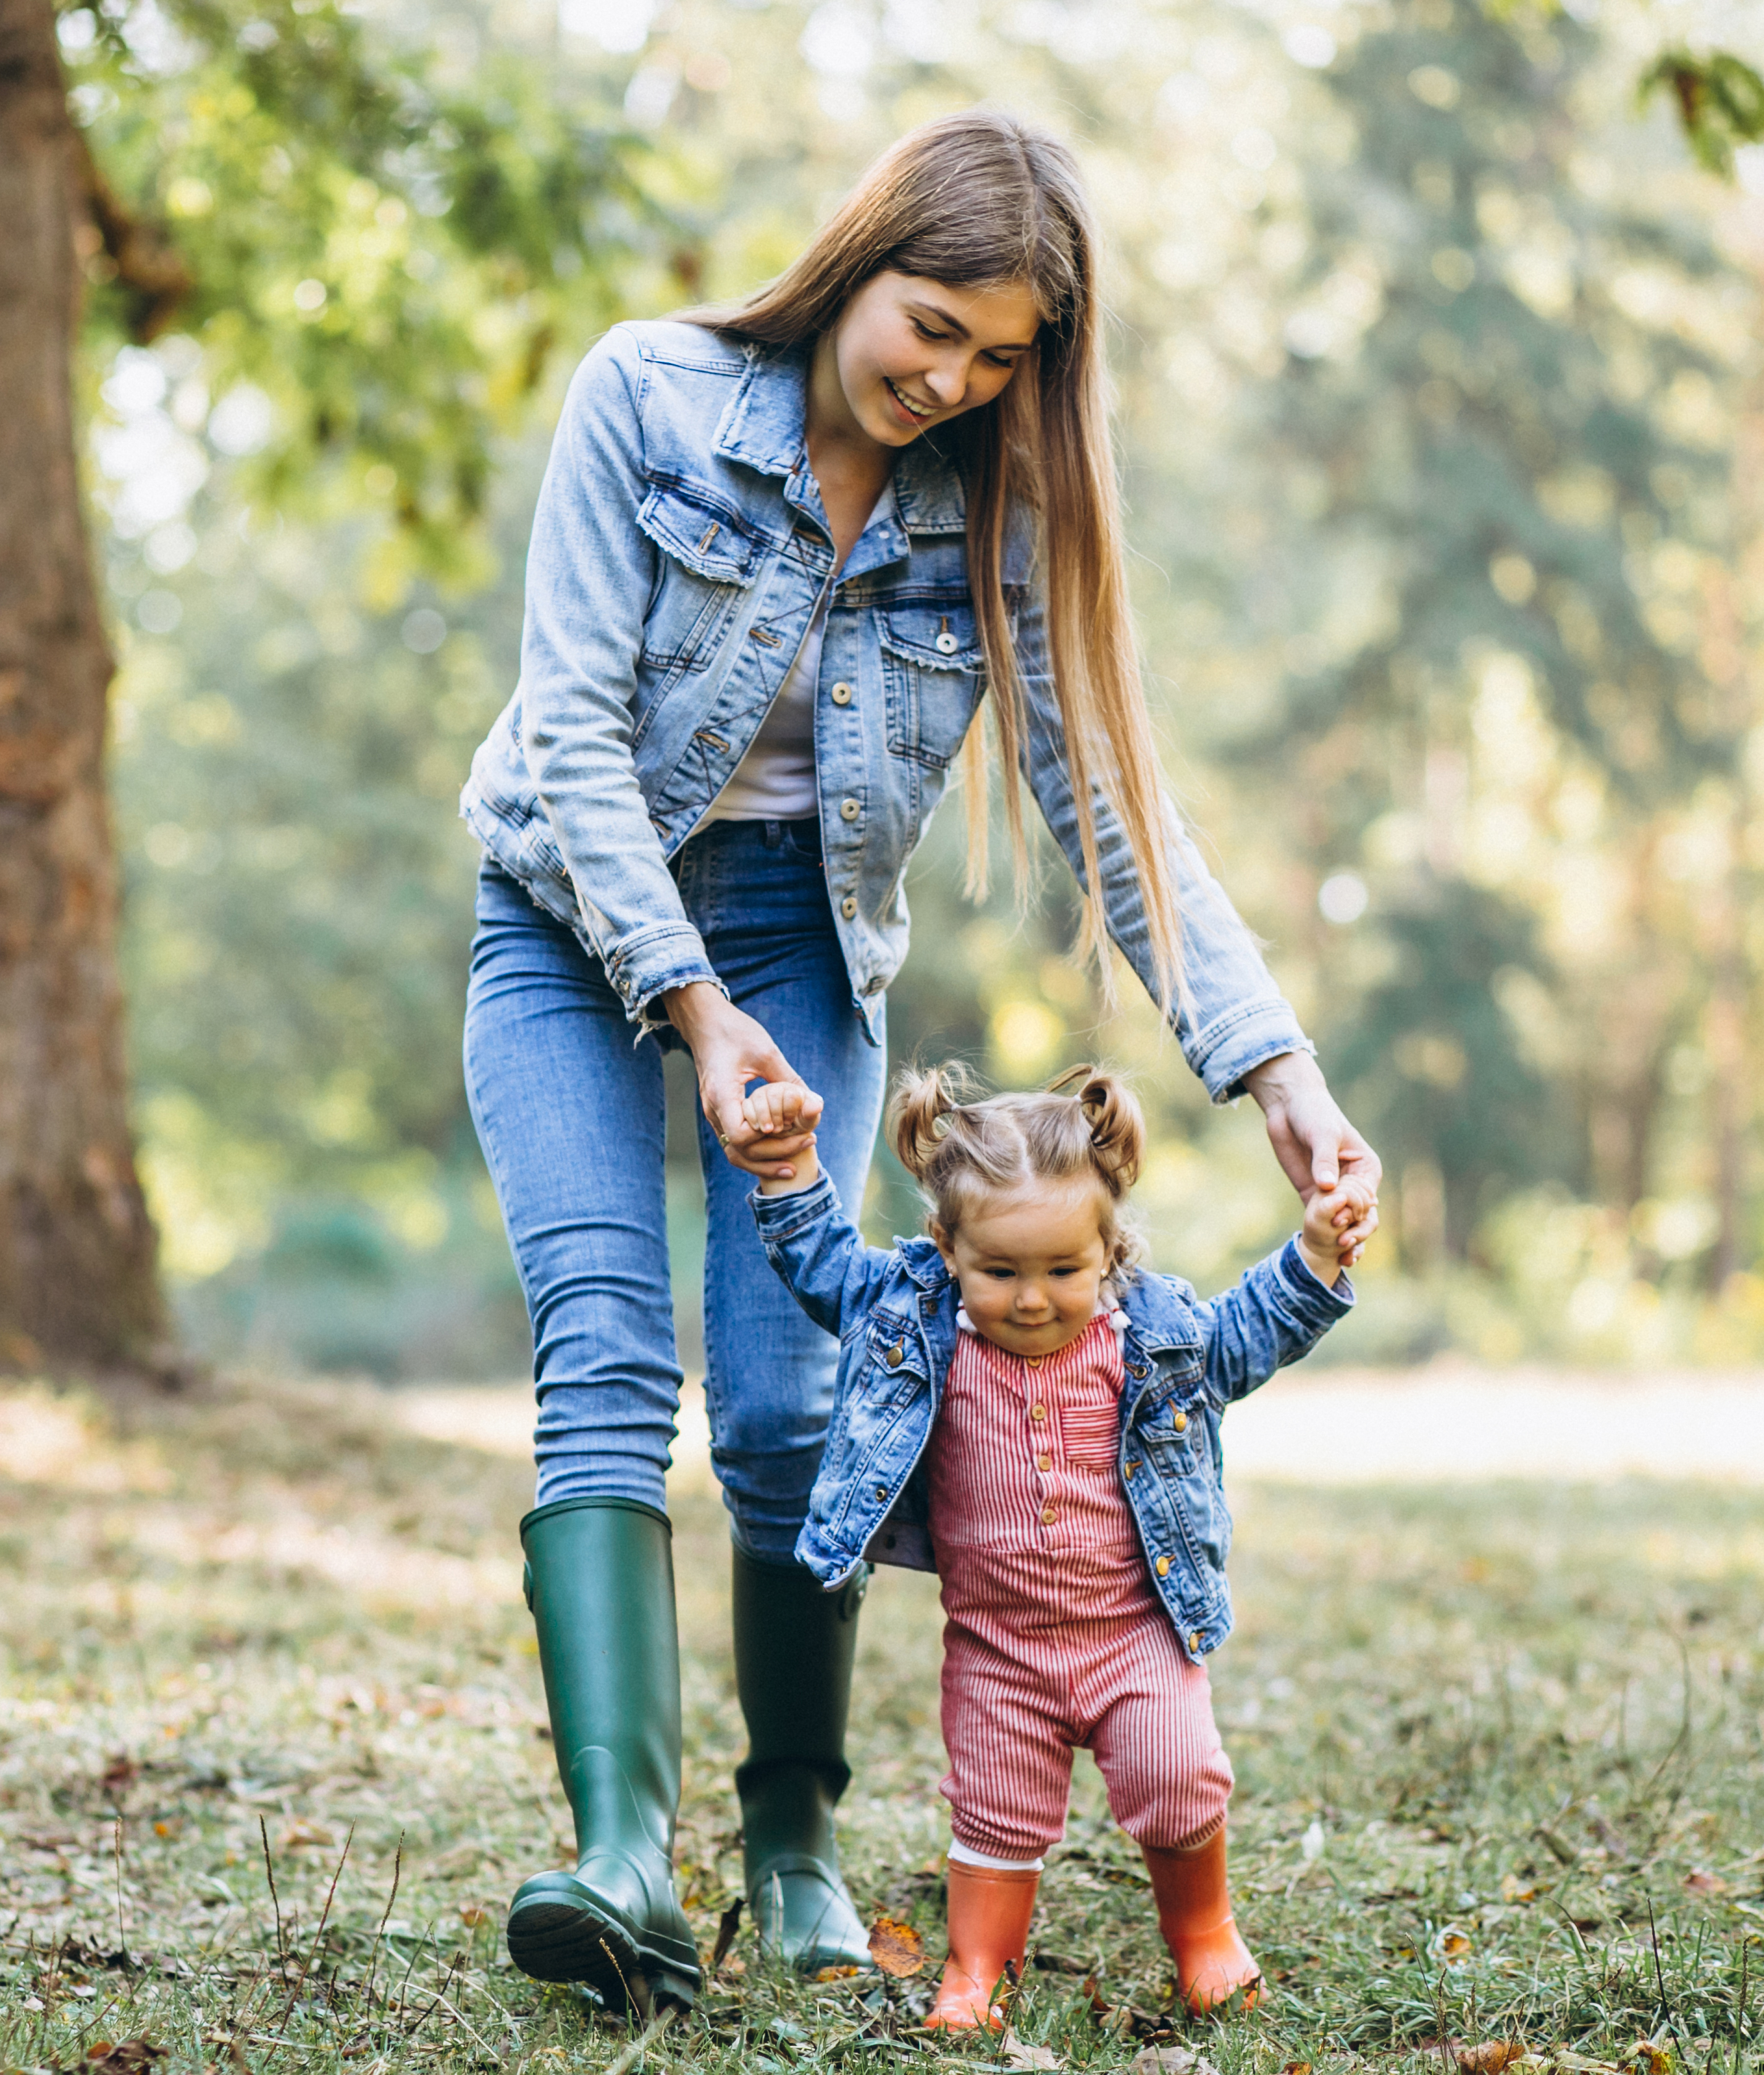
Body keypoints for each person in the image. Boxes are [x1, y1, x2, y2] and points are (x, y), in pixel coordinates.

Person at [456, 108, 1380, 2013]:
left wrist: (1273, 1070)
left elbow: (1109, 809)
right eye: (928, 324)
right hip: (569, 919)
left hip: (799, 940)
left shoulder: (992, 504)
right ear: (857, 260)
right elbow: (566, 731)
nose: (948, 380)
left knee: (798, 1410)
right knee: (609, 1346)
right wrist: (687, 1006)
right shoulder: (647, 397)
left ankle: (791, 1839)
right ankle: (623, 1857)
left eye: (997, 359)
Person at [750, 1064, 1371, 2023]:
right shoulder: (924, 1329)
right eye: (1000, 1271)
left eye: (1062, 1271)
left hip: (1136, 1635)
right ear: (948, 1249)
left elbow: (1251, 1331)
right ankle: (976, 1972)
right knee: (993, 1808)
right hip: (999, 1649)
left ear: (1110, 1250)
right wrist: (791, 1174)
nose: (1032, 1300)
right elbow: (828, 1268)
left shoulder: (1149, 1340)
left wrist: (1321, 1252)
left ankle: (1205, 1937)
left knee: (1178, 1776)